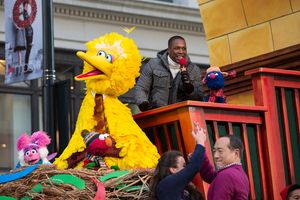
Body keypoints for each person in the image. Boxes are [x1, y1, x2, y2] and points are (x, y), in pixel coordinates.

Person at [134, 35, 203, 112]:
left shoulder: (193, 69)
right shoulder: (153, 64)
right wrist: (143, 103)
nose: (181, 52)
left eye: (184, 49)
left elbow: (200, 98)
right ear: (169, 50)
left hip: (181, 117)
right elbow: (141, 87)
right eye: (177, 48)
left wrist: (190, 90)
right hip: (157, 115)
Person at [149, 122, 206, 200]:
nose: (186, 169)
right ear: (173, 169)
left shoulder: (185, 188)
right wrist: (200, 142)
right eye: (184, 166)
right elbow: (193, 167)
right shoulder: (166, 184)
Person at [198, 135, 249, 199]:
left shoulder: (227, 175)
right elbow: (210, 176)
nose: (216, 156)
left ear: (236, 153)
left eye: (220, 151)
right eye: (214, 151)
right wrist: (200, 151)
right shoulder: (238, 172)